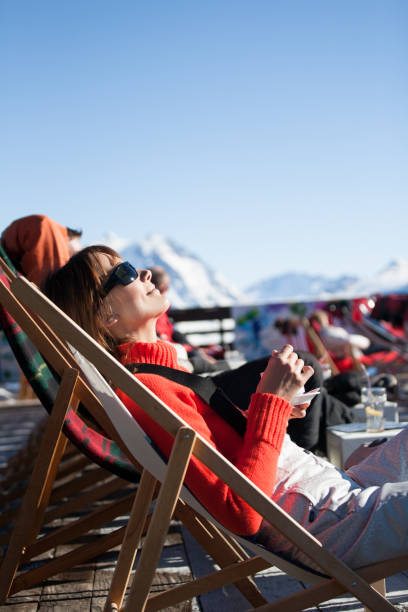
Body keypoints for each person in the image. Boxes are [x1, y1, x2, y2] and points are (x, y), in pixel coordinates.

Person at [44, 245, 408, 569]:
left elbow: (229, 456)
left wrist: (274, 416)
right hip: (334, 522)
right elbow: (242, 512)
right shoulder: (148, 392)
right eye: (123, 273)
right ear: (105, 315)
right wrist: (271, 402)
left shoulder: (158, 375)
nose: (144, 273)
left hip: (334, 492)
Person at [1, 214, 82, 286]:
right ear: (71, 237)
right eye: (78, 252)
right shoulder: (48, 228)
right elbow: (48, 288)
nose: (70, 258)